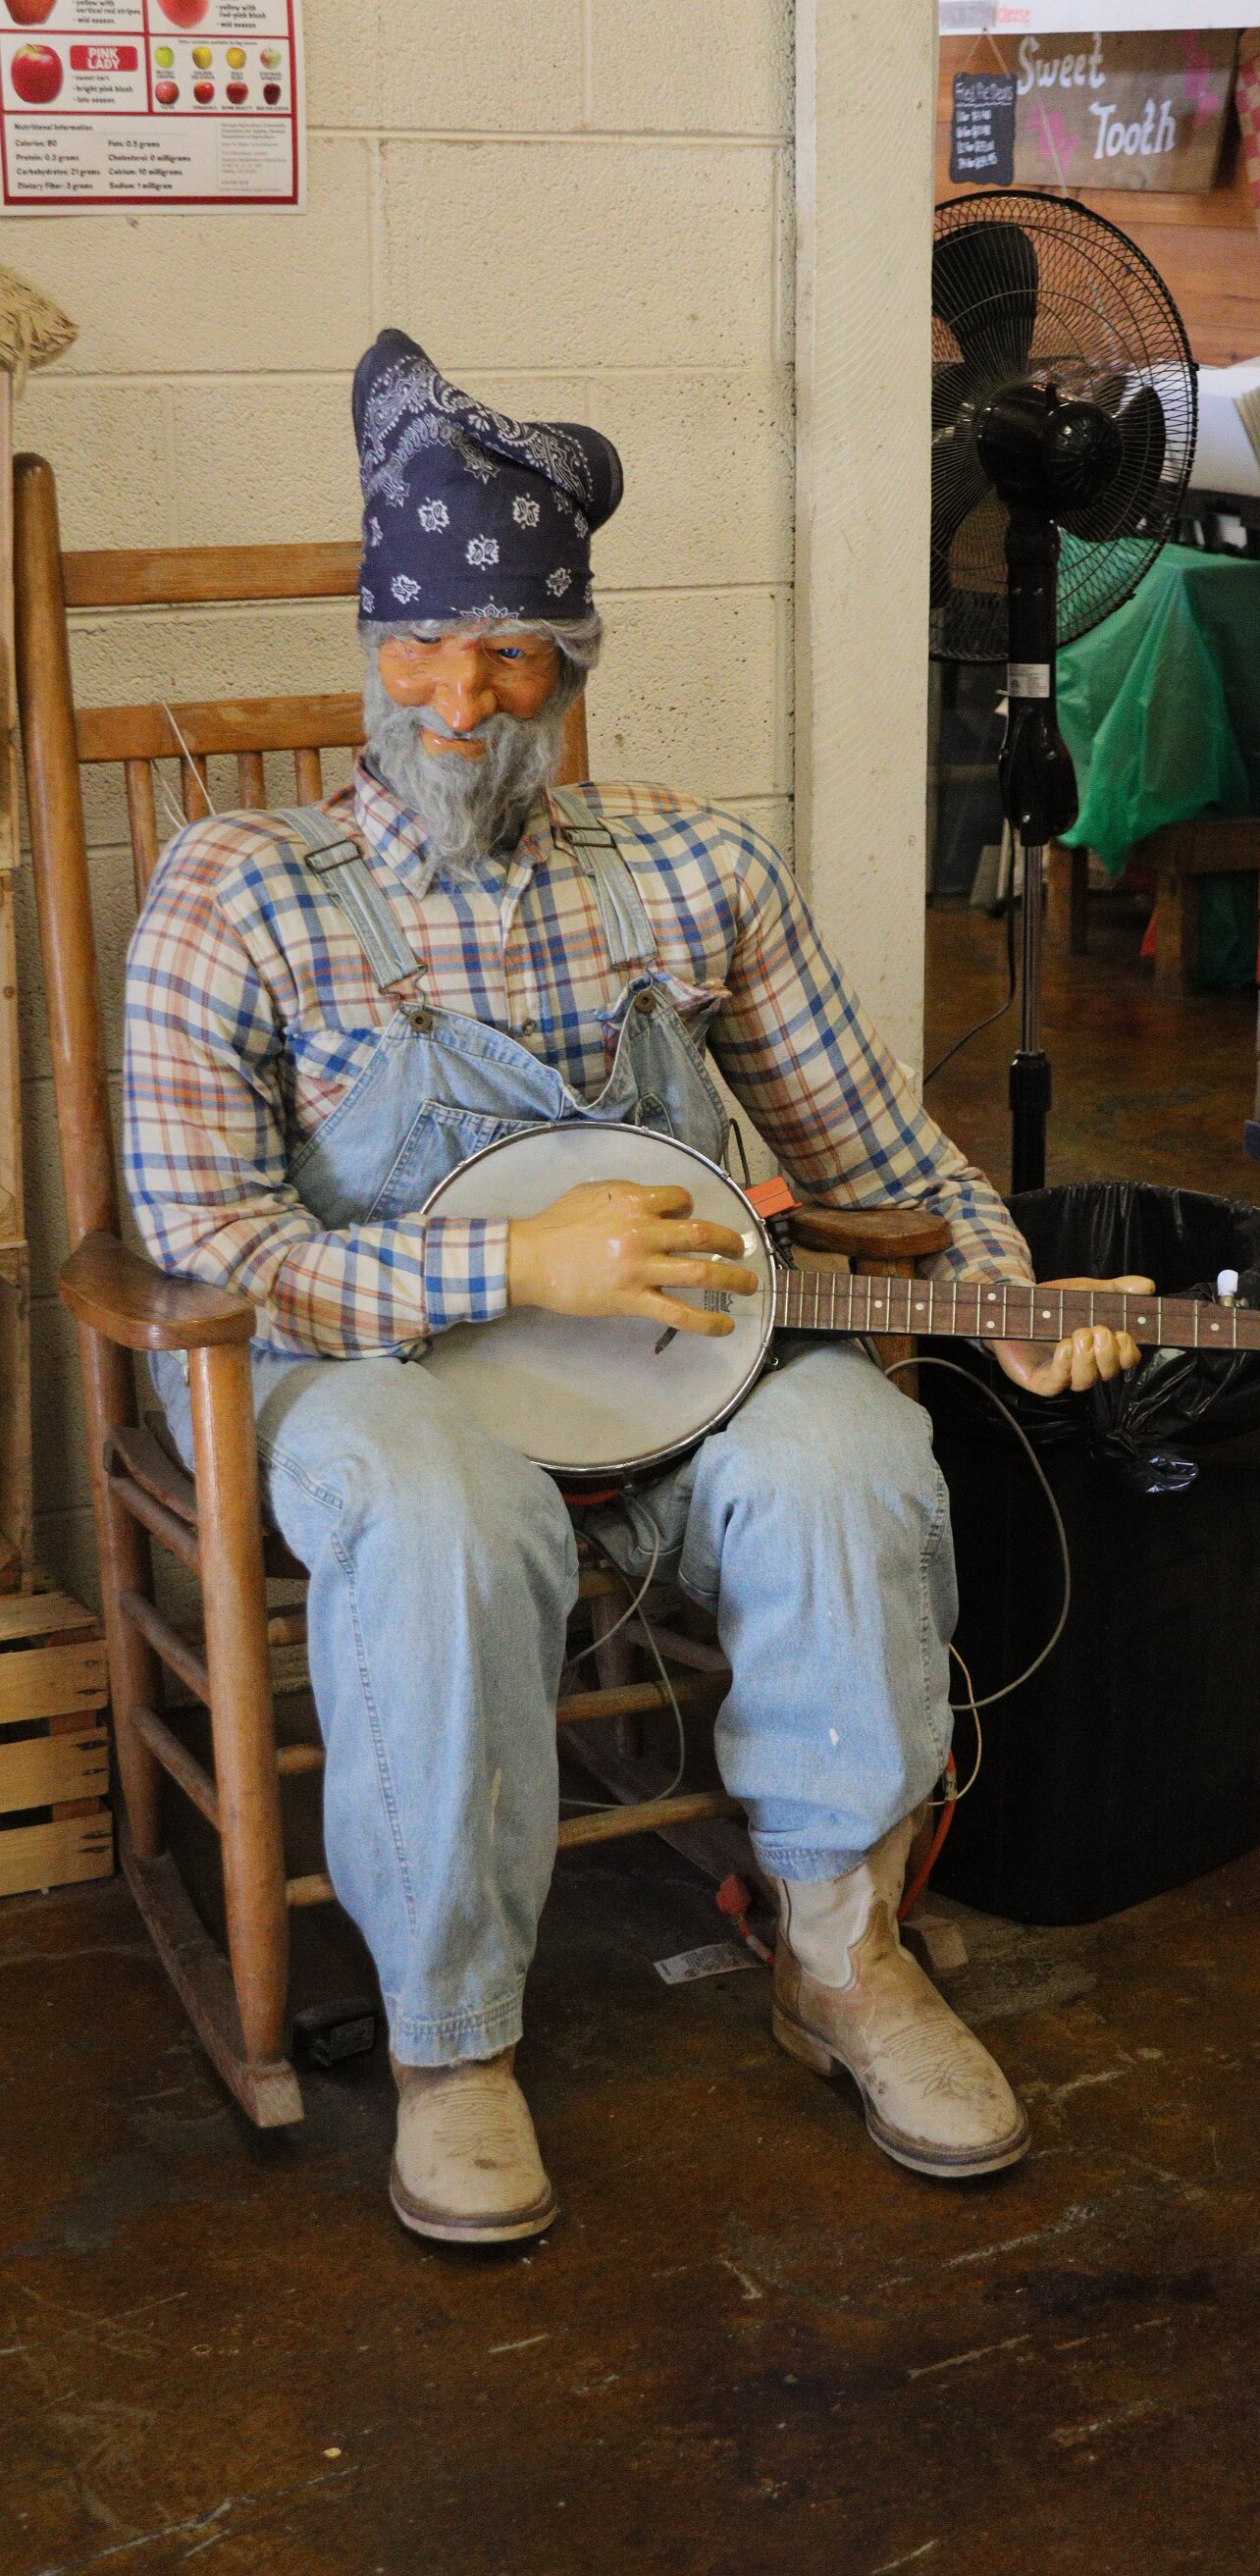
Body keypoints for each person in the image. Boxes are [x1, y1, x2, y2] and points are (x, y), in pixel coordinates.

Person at [123, 332, 1152, 2245]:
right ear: (370, 646)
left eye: (510, 654)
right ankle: (452, 2042)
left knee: (850, 1459)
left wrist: (1000, 1284)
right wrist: (511, 1260)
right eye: (418, 647)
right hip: (367, 1374)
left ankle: (840, 1954)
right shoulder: (234, 887)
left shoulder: (692, 869)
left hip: (685, 1368)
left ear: (573, 667)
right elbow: (214, 1249)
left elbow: (879, 1161)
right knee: (445, 1516)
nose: (457, 699)